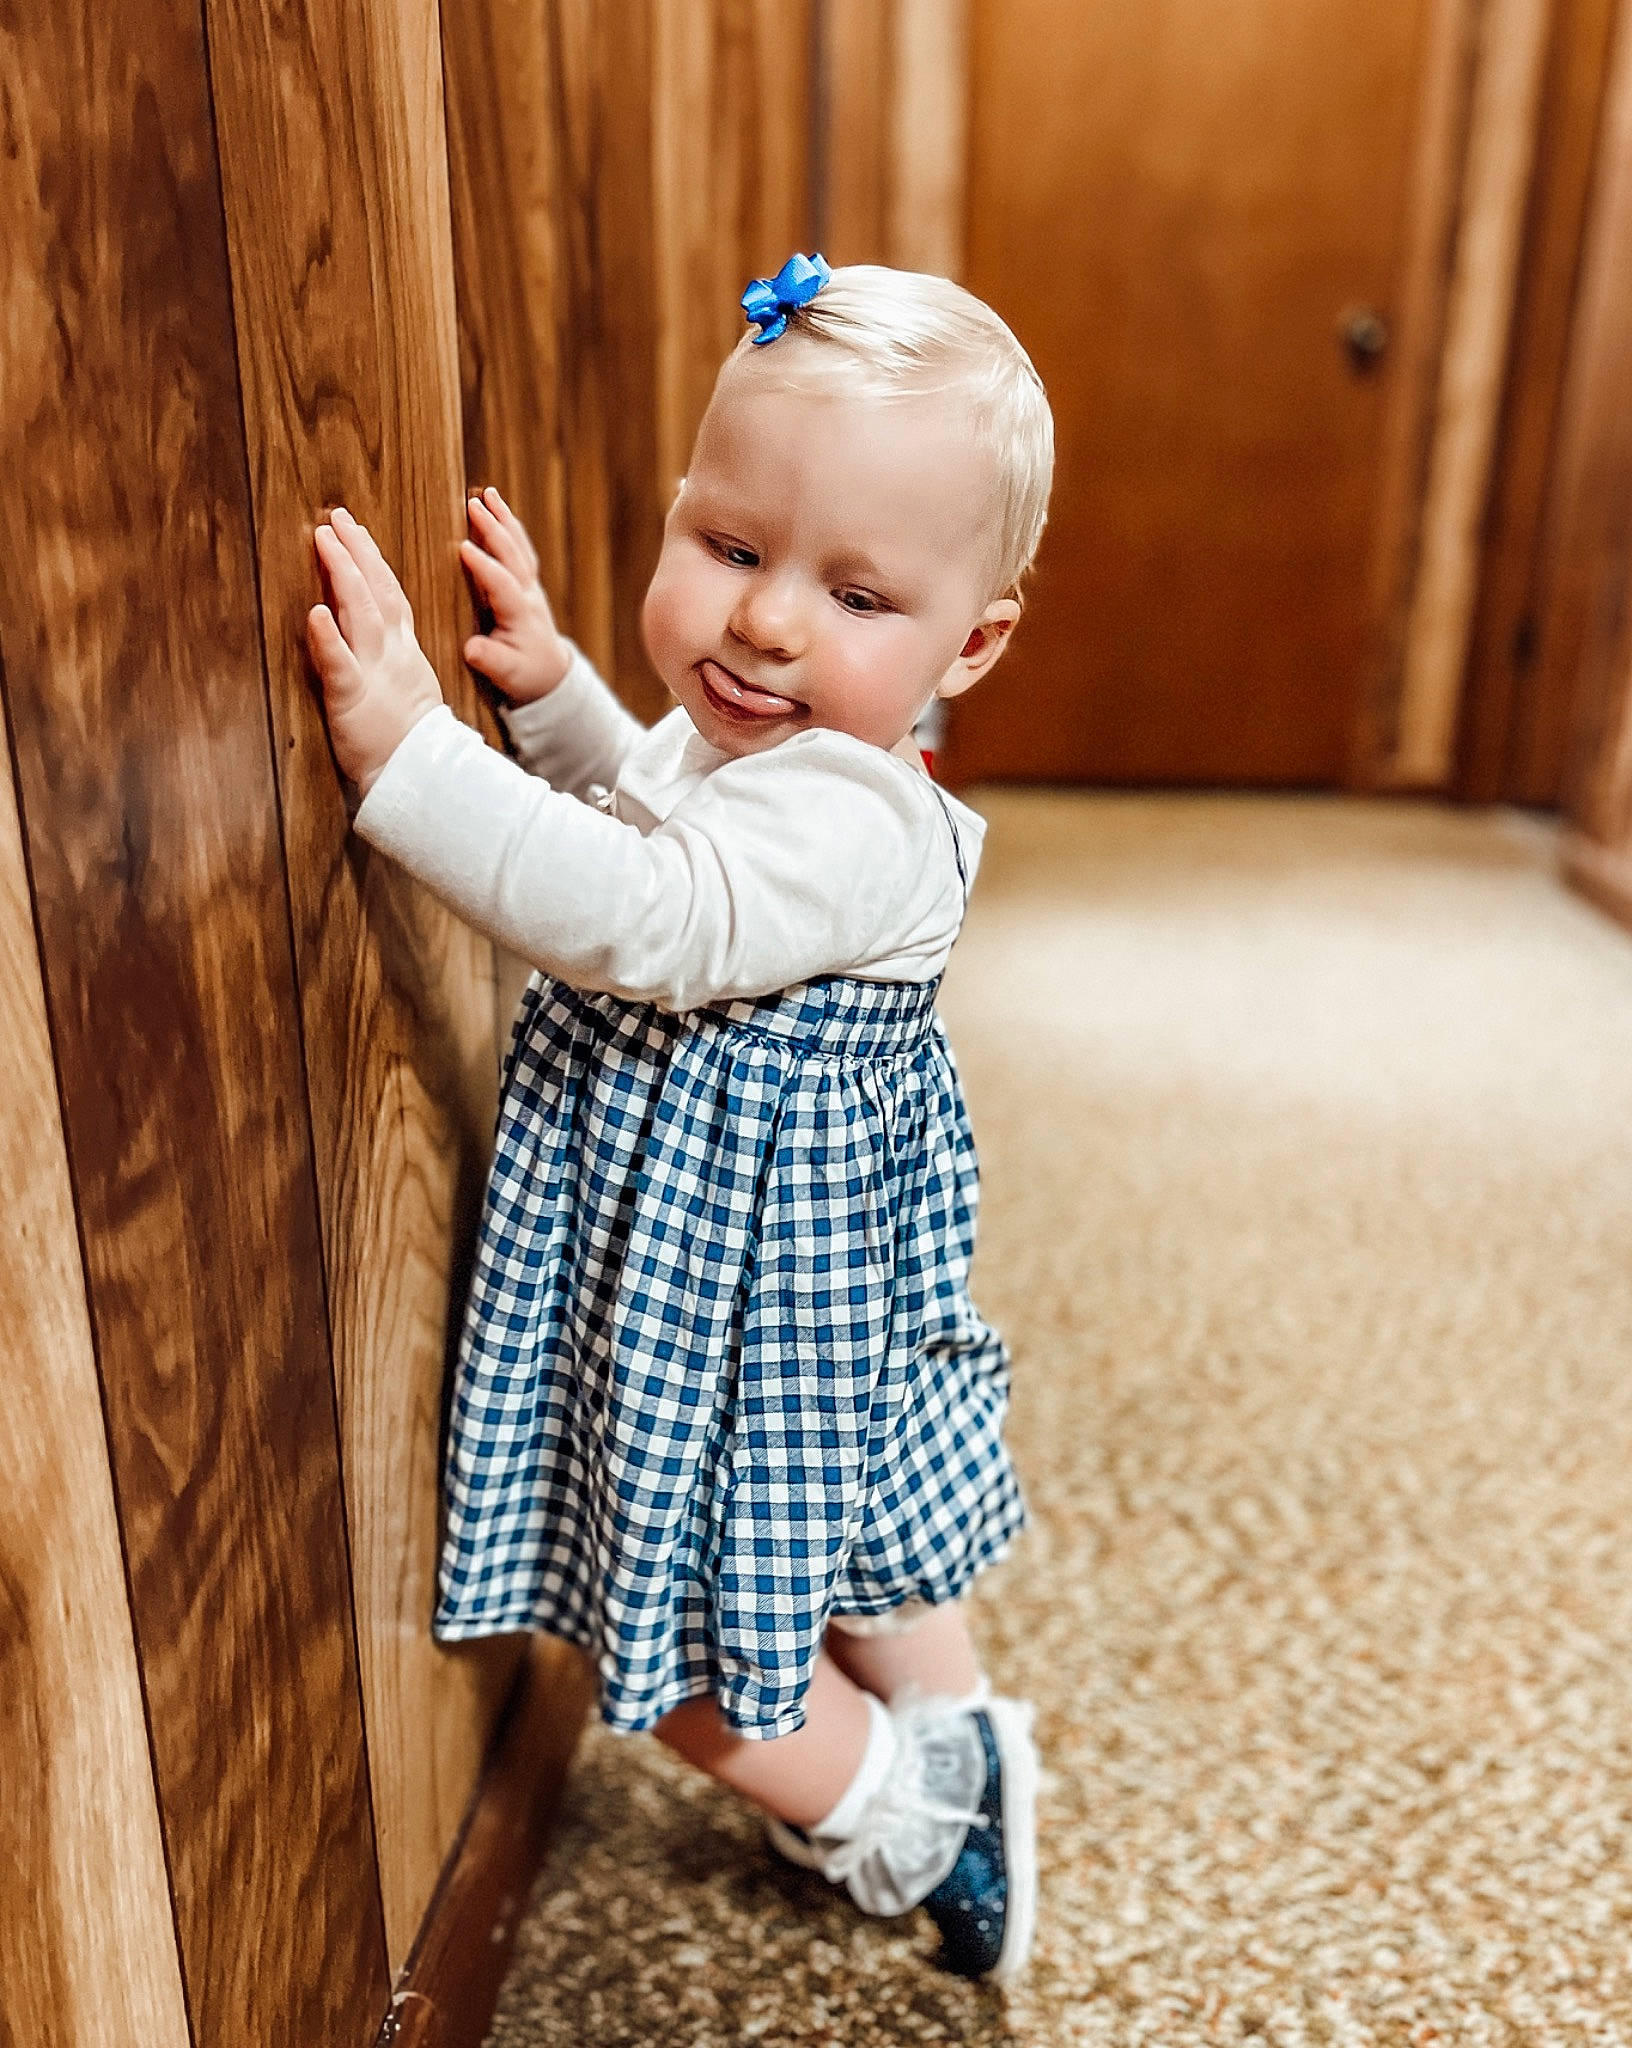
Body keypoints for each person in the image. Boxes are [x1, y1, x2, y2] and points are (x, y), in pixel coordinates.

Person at [306, 256, 1054, 1982]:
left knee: (691, 1630)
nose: (767, 623)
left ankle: (909, 1809)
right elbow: (666, 818)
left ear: (975, 640)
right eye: (730, 548)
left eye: (856, 594)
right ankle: (955, 1722)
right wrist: (561, 695)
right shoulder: (781, 748)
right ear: (681, 514)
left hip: (735, 1294)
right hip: (773, 1260)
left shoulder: (856, 813)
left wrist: (415, 753)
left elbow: (652, 917)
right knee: (850, 1511)